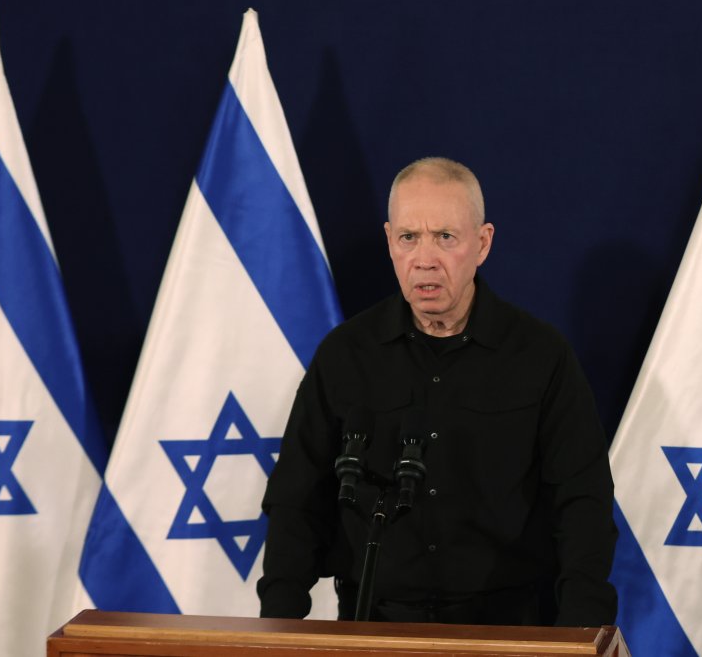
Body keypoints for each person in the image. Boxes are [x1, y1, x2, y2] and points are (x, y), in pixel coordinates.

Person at [258, 157, 617, 627]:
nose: (424, 258)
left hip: (507, 628)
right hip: (374, 626)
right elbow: (296, 501)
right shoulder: (346, 355)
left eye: (445, 237)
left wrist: (582, 634)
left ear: (482, 243)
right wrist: (278, 629)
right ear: (389, 241)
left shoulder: (540, 356)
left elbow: (583, 504)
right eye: (409, 237)